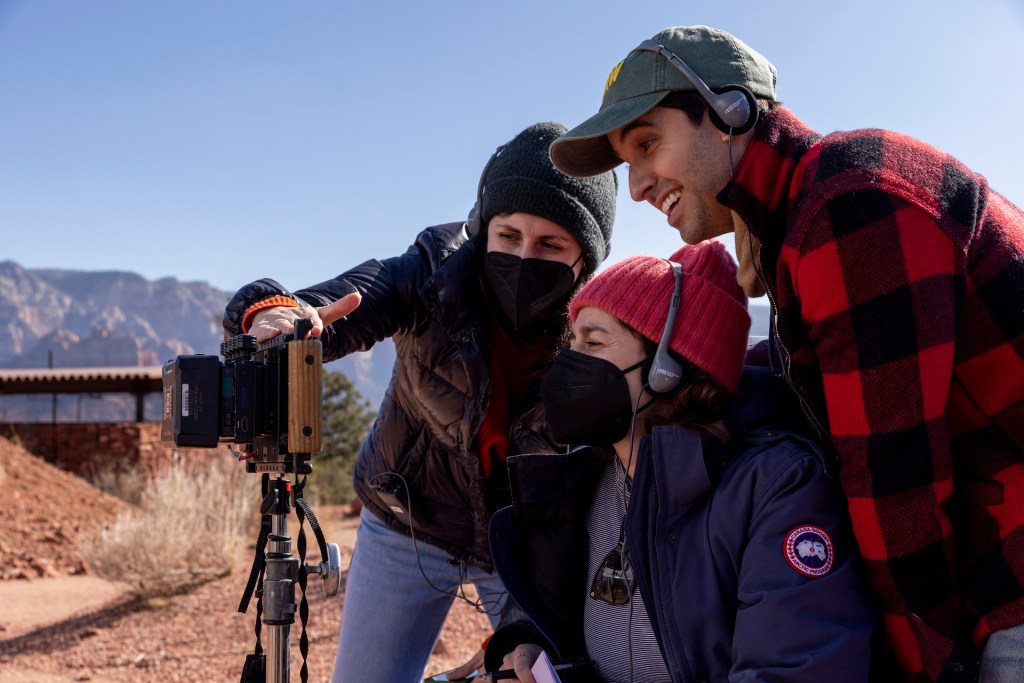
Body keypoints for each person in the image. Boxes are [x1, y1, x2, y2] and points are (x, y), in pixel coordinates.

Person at [548, 24, 1024, 683]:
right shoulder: (799, 230)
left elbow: (894, 481)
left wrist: (932, 671)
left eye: (648, 144)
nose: (634, 186)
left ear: (727, 112)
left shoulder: (848, 205)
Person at [221, 121, 618, 683]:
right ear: (483, 231)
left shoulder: (599, 330)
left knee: (537, 673)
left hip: (526, 539)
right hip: (408, 517)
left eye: (551, 244)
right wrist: (278, 313)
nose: (524, 257)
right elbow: (349, 299)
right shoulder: (433, 271)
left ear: (586, 259)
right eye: (508, 236)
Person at [481, 240, 877, 682]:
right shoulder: (583, 476)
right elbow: (557, 615)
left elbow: (794, 670)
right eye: (571, 342)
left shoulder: (777, 488)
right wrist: (532, 648)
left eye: (592, 343)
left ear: (667, 367)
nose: (567, 363)